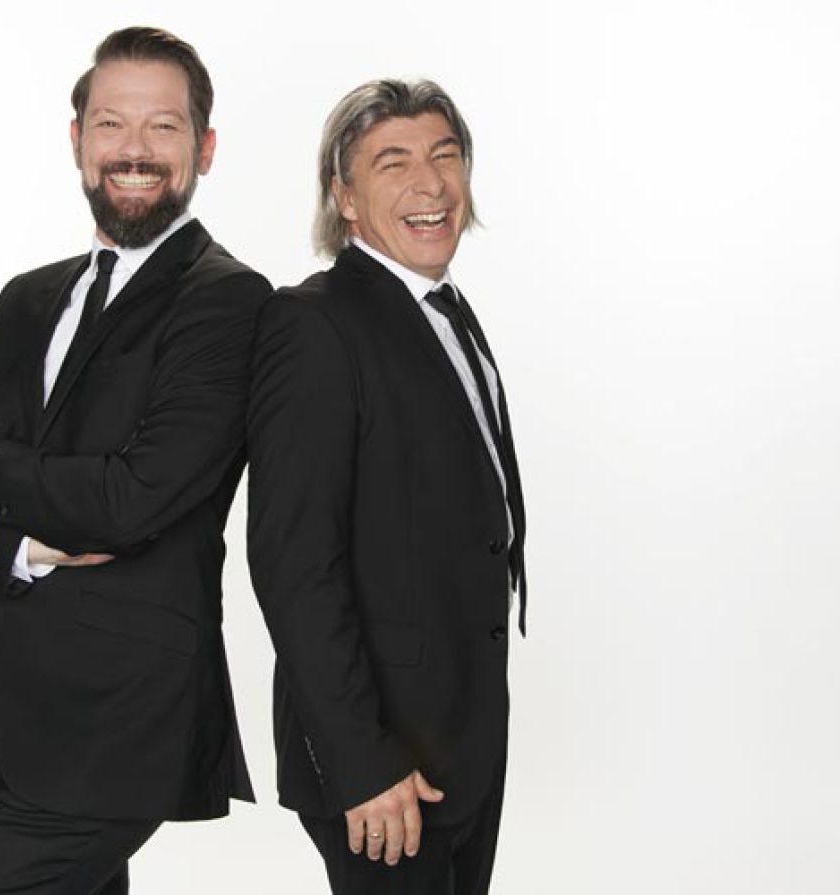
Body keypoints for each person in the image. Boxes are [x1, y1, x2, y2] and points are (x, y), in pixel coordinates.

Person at [0, 26, 269, 895]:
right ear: (77, 140)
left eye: (163, 127)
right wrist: (20, 548)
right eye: (110, 124)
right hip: (6, 713)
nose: (134, 150)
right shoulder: (31, 298)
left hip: (119, 722)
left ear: (205, 148)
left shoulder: (228, 300)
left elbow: (131, 500)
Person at [247, 78, 527, 895]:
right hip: (381, 763)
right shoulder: (315, 324)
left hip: (462, 739)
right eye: (393, 162)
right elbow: (294, 564)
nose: (430, 184)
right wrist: (361, 760)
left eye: (445, 155)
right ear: (344, 196)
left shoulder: (442, 307)